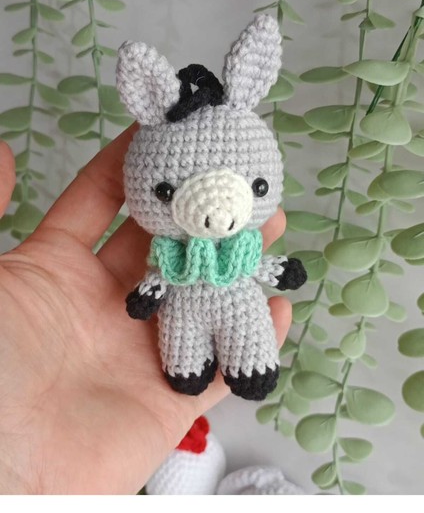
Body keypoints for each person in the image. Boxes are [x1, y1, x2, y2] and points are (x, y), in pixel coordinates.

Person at [0, 127, 292, 495]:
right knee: (182, 343)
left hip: (239, 303)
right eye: (166, 192)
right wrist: (148, 295)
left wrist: (280, 270)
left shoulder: (242, 251)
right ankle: (188, 370)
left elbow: (256, 266)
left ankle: (252, 367)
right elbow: (160, 277)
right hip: (183, 311)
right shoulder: (169, 256)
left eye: (257, 186)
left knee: (248, 332)